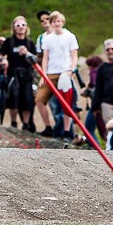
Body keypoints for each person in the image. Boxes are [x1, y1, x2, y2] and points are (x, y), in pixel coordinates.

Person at [34, 10, 79, 138]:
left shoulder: (70, 36)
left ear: (62, 22)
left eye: (58, 21)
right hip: (51, 73)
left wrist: (71, 70)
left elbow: (74, 55)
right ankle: (48, 126)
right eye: (54, 21)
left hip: (65, 72)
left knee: (66, 102)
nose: (56, 23)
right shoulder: (47, 38)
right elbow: (45, 58)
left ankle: (66, 131)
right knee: (39, 99)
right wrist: (43, 75)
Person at [0, 16, 37, 132]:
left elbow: (35, 59)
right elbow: (1, 54)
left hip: (26, 74)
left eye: (23, 25)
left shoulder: (30, 43)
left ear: (26, 28)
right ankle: (13, 121)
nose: (21, 28)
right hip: (12, 72)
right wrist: (3, 60)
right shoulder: (9, 42)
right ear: (14, 28)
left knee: (27, 98)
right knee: (13, 97)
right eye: (18, 25)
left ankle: (26, 124)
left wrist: (27, 53)